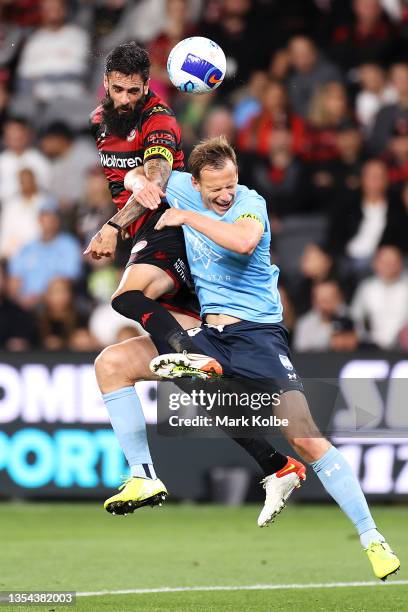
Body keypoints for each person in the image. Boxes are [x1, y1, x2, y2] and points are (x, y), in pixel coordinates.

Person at [143, 136, 396, 580]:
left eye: (231, 184)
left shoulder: (249, 203)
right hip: (211, 331)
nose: (225, 194)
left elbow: (243, 242)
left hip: (258, 337)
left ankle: (371, 537)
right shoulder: (181, 185)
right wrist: (137, 185)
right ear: (196, 181)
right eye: (215, 188)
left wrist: (186, 216)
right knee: (120, 361)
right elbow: (141, 176)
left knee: (306, 438)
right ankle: (146, 461)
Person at [89, 42, 298, 511]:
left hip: (168, 232)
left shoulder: (159, 120)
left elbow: (158, 178)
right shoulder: (99, 121)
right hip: (150, 240)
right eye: (118, 89)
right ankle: (270, 463)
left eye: (134, 90)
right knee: (112, 365)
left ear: (148, 87)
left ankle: (187, 354)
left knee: (127, 297)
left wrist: (111, 226)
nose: (125, 98)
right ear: (107, 83)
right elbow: (125, 177)